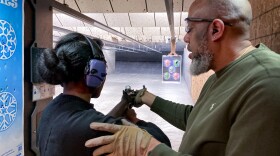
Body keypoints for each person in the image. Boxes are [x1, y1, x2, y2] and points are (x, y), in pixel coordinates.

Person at [84, 0, 280, 155]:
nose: (185, 38)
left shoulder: (267, 84)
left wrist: (148, 148)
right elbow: (196, 119)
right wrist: (147, 97)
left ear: (216, 29)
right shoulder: (219, 76)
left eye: (189, 29)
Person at [36, 32, 171, 156]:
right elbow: (162, 145)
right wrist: (134, 120)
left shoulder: (48, 112)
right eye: (104, 68)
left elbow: (91, 124)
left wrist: (123, 103)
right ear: (95, 72)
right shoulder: (92, 127)